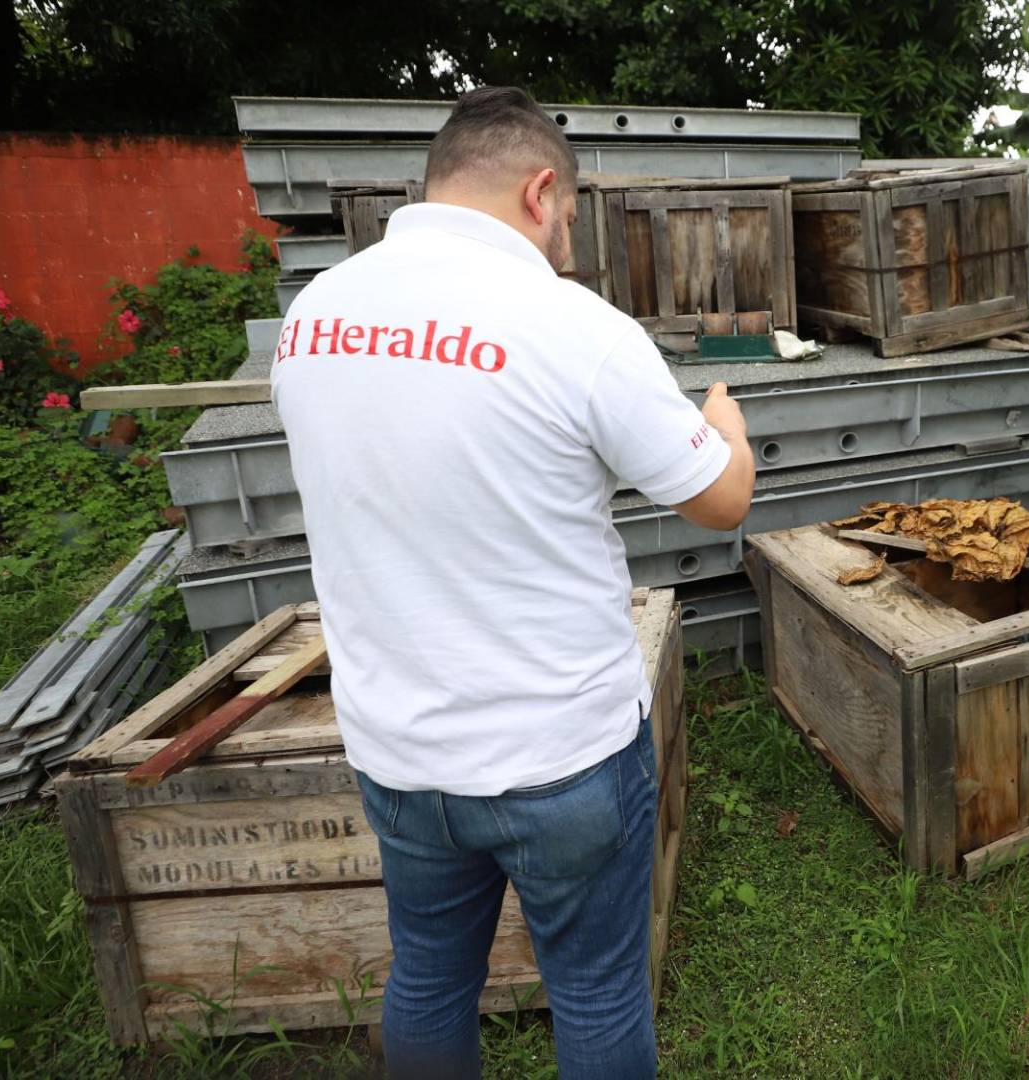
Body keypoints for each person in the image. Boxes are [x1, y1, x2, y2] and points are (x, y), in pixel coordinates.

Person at [271, 86, 755, 1078]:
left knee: (427, 977)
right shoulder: (572, 325)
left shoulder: (314, 315)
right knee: (598, 993)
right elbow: (720, 501)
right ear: (540, 192)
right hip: (560, 756)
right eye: (569, 216)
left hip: (400, 754)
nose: (566, 243)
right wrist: (725, 424)